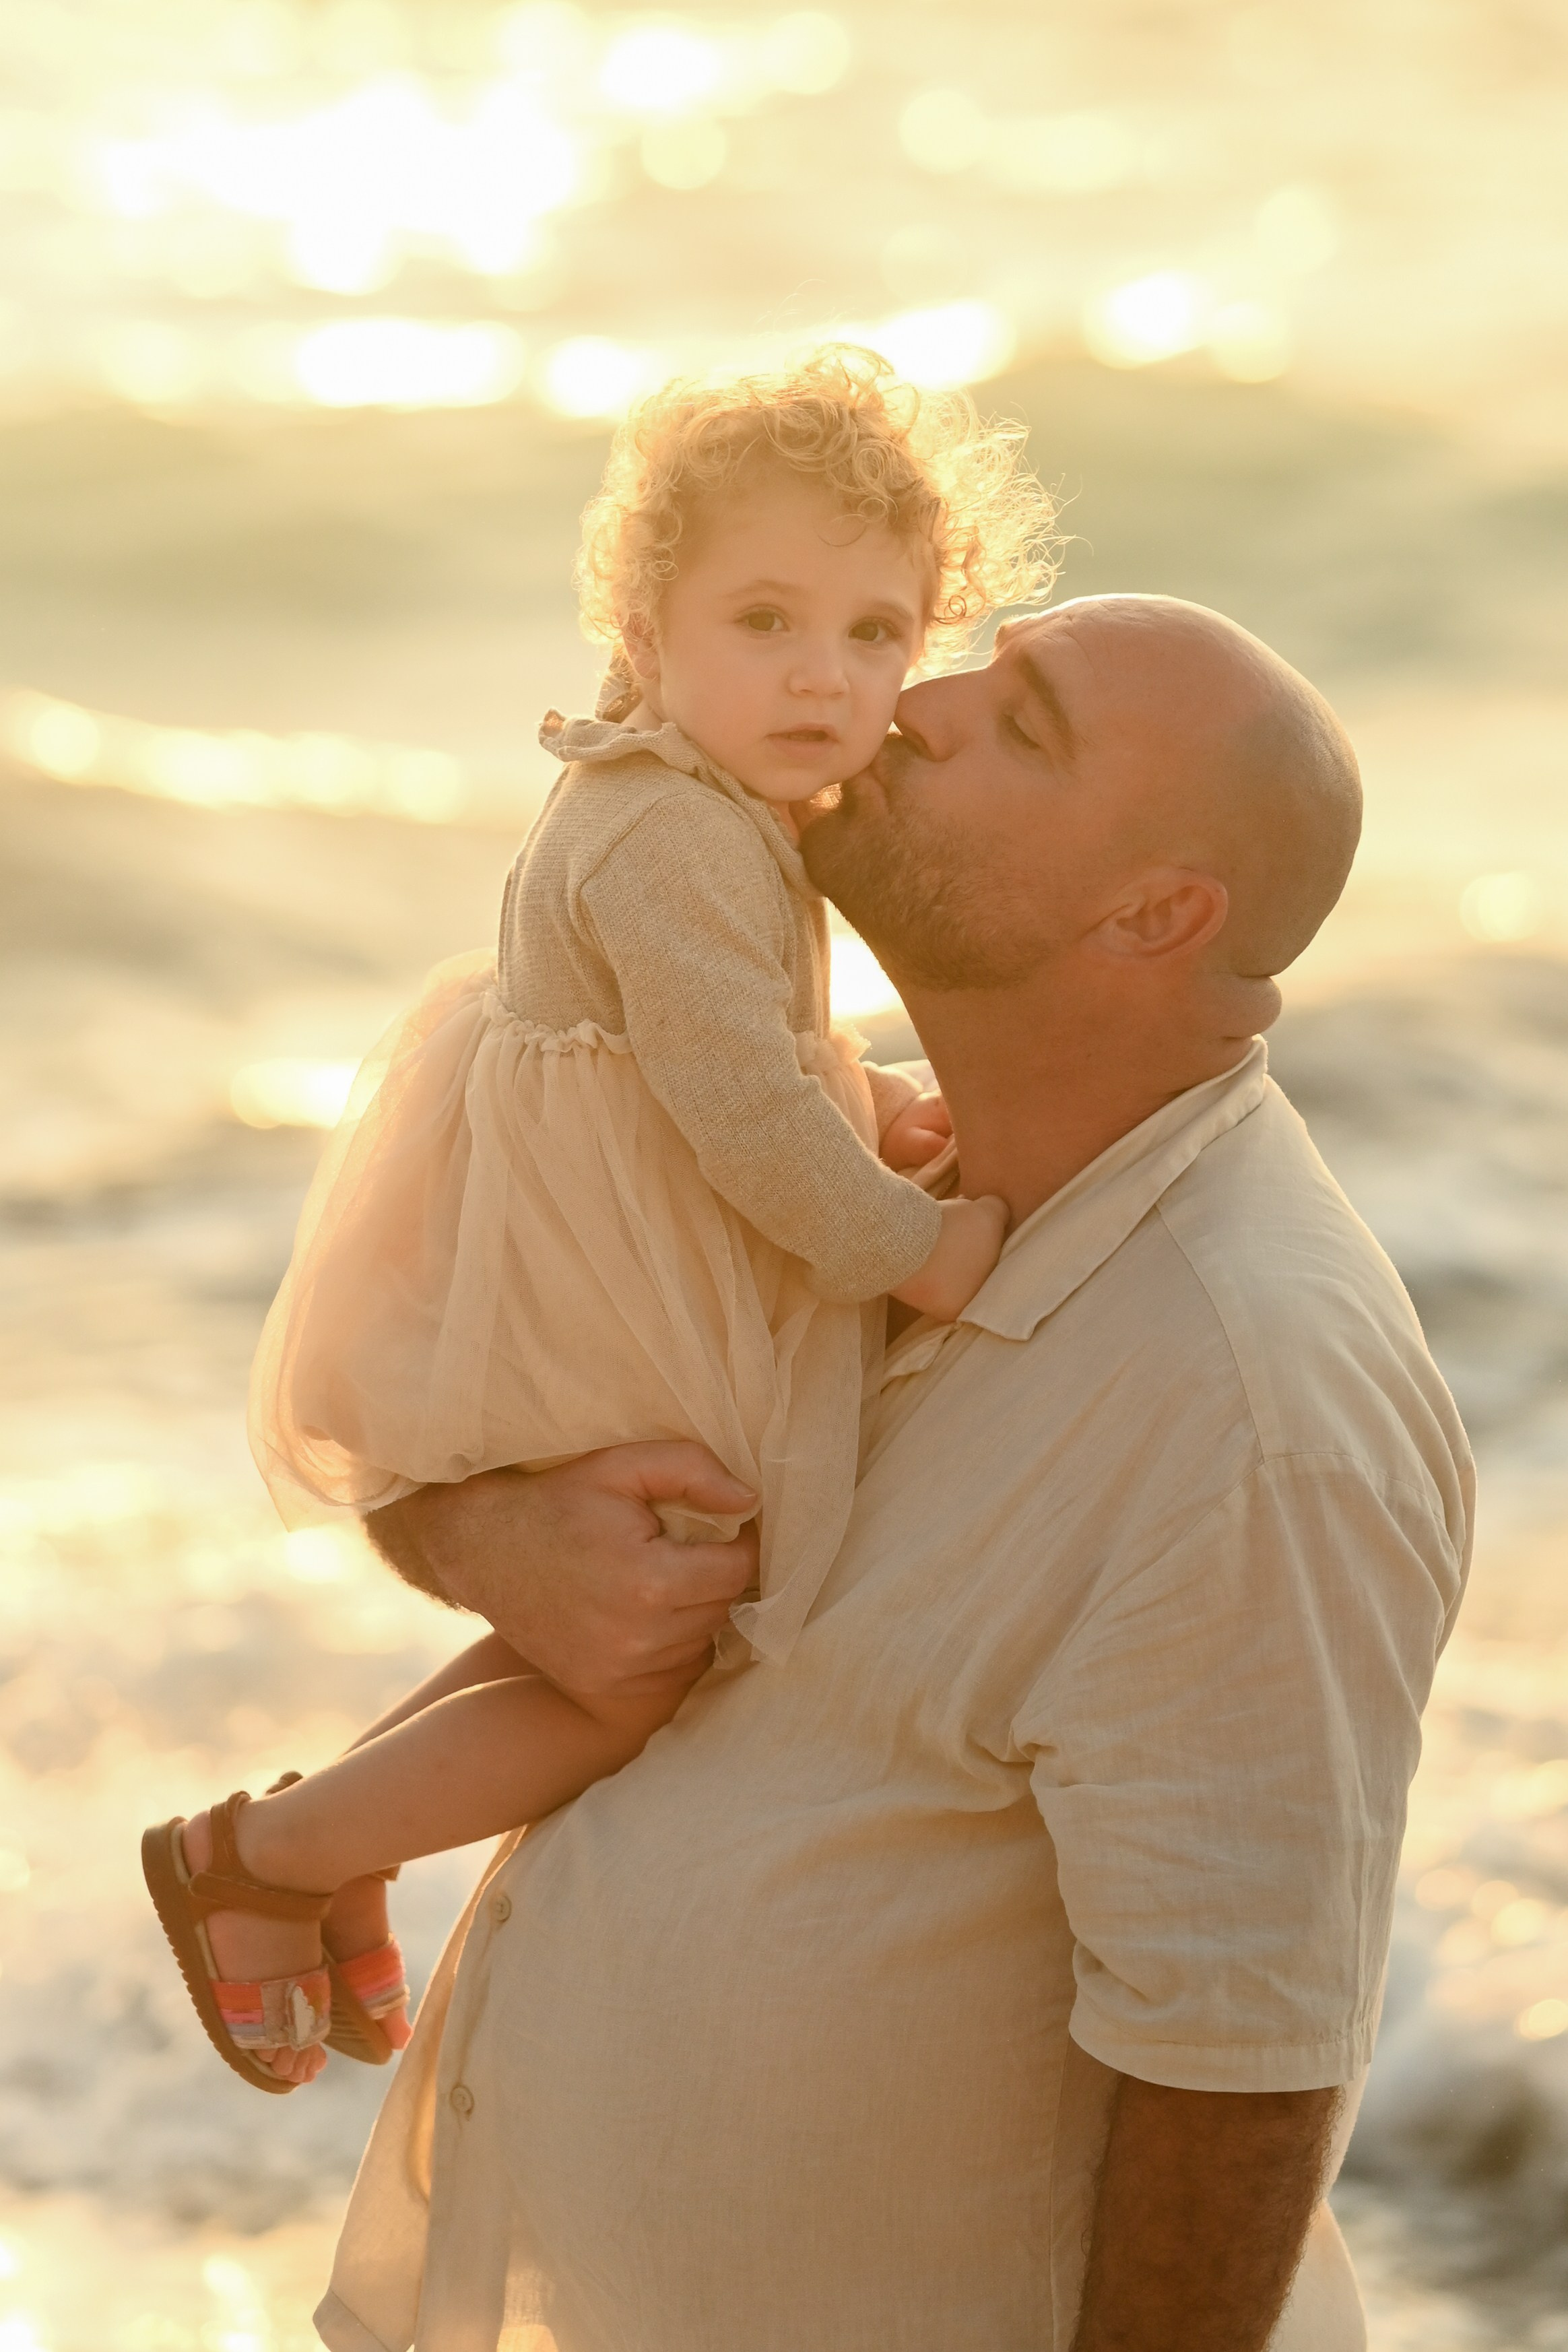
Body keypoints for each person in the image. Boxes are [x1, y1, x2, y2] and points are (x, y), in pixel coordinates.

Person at [316, 595, 1472, 2352]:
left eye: (1025, 724)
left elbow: (1236, 2068)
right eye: (969, 658)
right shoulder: (829, 1160)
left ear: (1153, 913)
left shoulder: (1252, 1406)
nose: (909, 703)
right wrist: (493, 1537)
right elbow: (418, 1397)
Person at [141, 347, 1052, 2093]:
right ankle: (261, 1860)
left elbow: (757, 1048)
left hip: (609, 1243)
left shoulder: (705, 804)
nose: (824, 673)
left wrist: (870, 1108)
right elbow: (732, 1107)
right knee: (640, 1657)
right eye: (765, 618)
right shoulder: (671, 836)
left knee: (596, 1627)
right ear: (644, 622)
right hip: (590, 1282)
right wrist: (904, 1237)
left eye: (875, 633)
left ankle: (302, 1848)